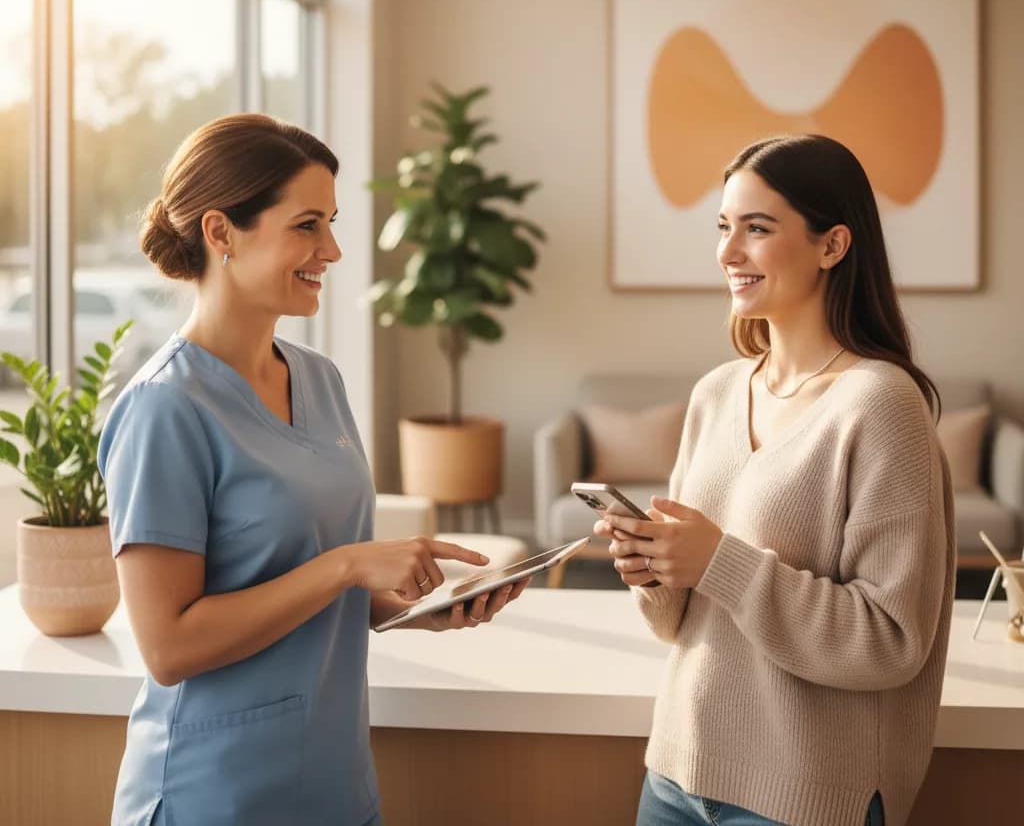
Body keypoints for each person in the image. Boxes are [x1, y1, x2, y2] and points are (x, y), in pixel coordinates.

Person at [98, 114, 526, 826]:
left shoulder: (319, 380)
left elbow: (303, 586)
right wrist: (351, 566)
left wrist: (418, 610)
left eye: (330, 223)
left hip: (333, 785)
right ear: (220, 232)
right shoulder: (165, 409)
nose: (331, 249)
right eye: (306, 225)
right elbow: (169, 646)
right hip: (216, 797)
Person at [596, 134, 954, 826]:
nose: (728, 253)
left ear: (833, 245)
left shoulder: (882, 406)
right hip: (674, 771)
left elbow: (890, 640)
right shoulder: (716, 393)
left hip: (803, 796)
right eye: (725, 227)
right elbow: (684, 622)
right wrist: (655, 570)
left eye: (757, 229)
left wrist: (718, 560)